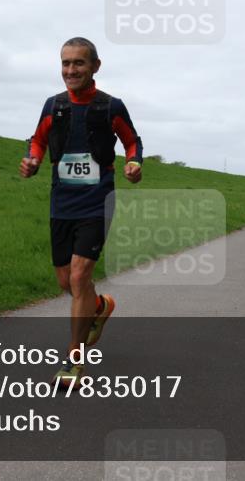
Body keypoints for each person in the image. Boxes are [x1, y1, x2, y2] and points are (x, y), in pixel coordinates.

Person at [19, 37, 143, 385]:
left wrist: (133, 163)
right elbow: (39, 139)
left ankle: (74, 360)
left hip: (97, 201)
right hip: (62, 202)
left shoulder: (110, 106)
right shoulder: (53, 105)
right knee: (67, 282)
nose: (70, 70)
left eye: (79, 64)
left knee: (78, 277)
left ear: (95, 67)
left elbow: (132, 140)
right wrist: (33, 160)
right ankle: (100, 307)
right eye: (65, 64)